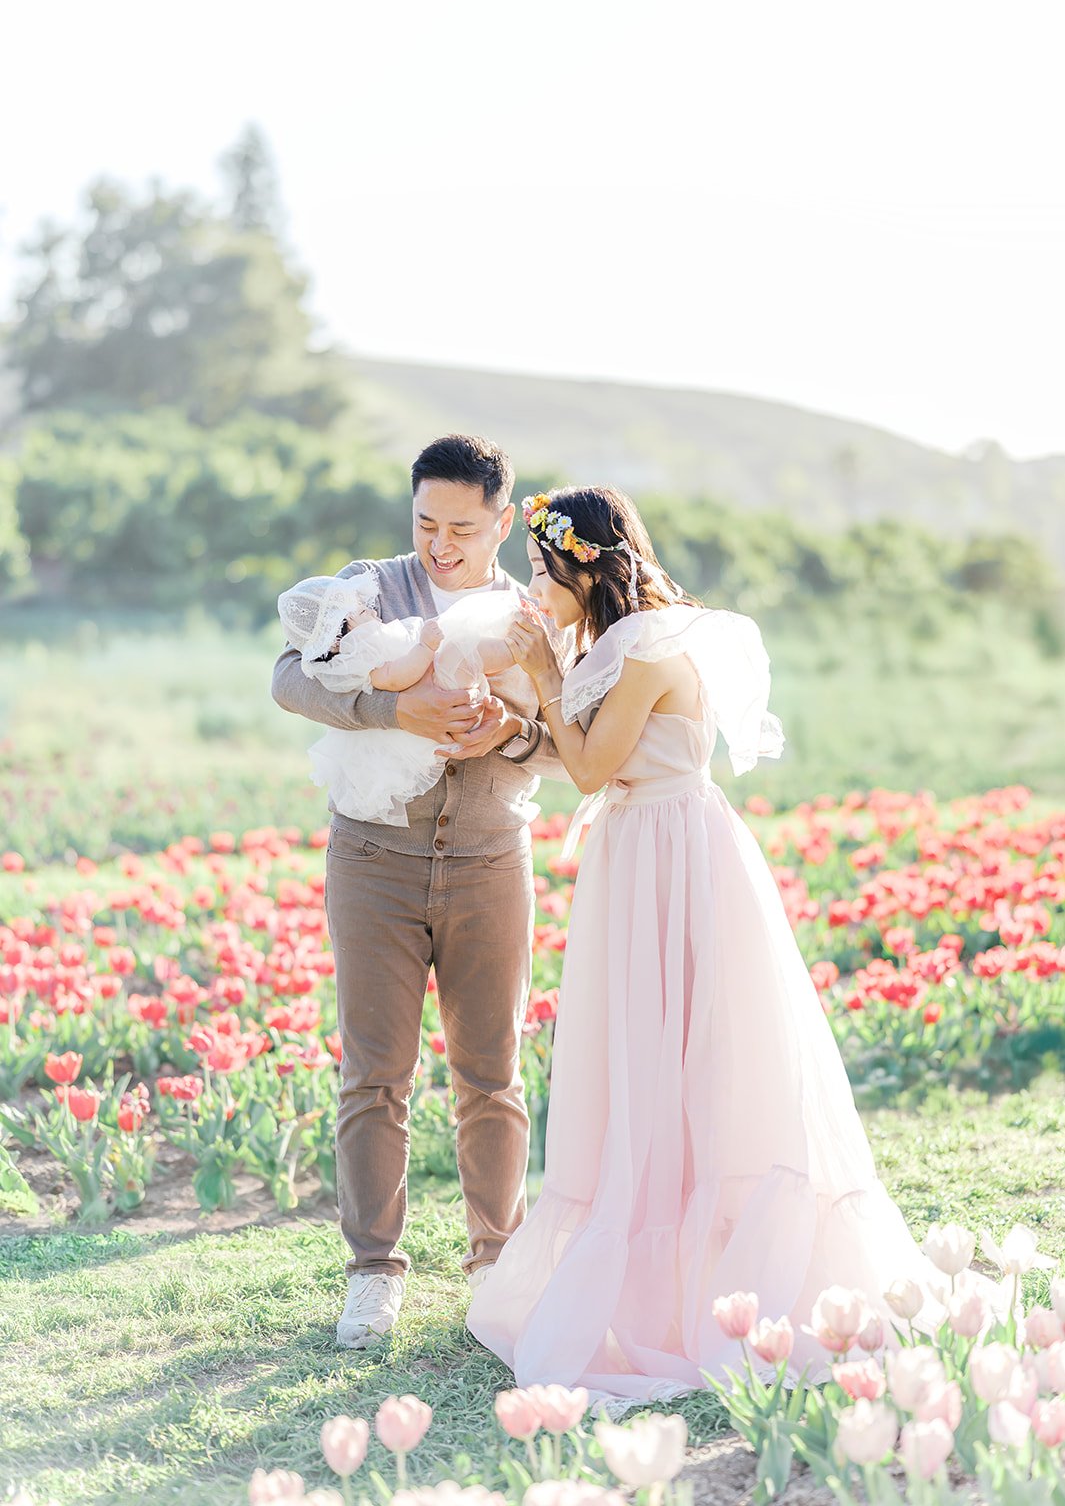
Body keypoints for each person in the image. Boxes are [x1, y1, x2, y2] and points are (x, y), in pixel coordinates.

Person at [466, 484, 943, 1405]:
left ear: (589, 569)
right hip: (635, 851)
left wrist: (541, 671)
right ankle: (651, 1263)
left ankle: (714, 1278)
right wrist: (522, 712)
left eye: (544, 572)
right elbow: (584, 753)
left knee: (697, 1050)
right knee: (639, 1054)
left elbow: (592, 768)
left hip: (675, 856)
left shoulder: (649, 646)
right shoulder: (607, 644)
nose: (534, 589)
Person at [271, 435, 565, 1349]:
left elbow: (570, 741)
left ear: (502, 523)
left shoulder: (533, 612)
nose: (439, 544)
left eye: (462, 529)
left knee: (492, 1073)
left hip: (490, 860)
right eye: (425, 522)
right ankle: (373, 1275)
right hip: (373, 860)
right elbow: (289, 678)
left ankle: (496, 1266)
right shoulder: (366, 588)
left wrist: (508, 732)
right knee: (374, 1075)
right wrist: (391, 708)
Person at [277, 572, 522, 825]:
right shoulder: (360, 657)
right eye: (362, 612)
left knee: (464, 645)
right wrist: (426, 648)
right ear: (339, 639)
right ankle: (516, 649)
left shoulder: (371, 640)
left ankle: (514, 645)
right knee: (458, 650)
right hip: (441, 704)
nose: (373, 612)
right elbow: (395, 678)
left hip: (448, 694)